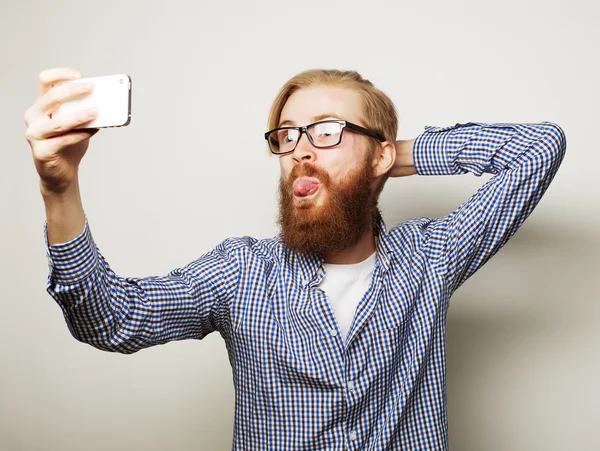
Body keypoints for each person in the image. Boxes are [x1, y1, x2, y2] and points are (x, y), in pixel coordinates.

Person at [24, 67, 567, 450]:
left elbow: (538, 149)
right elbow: (111, 319)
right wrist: (60, 187)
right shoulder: (241, 274)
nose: (300, 151)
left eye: (327, 131)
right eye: (288, 137)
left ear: (380, 153)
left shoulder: (429, 258)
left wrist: (392, 155)